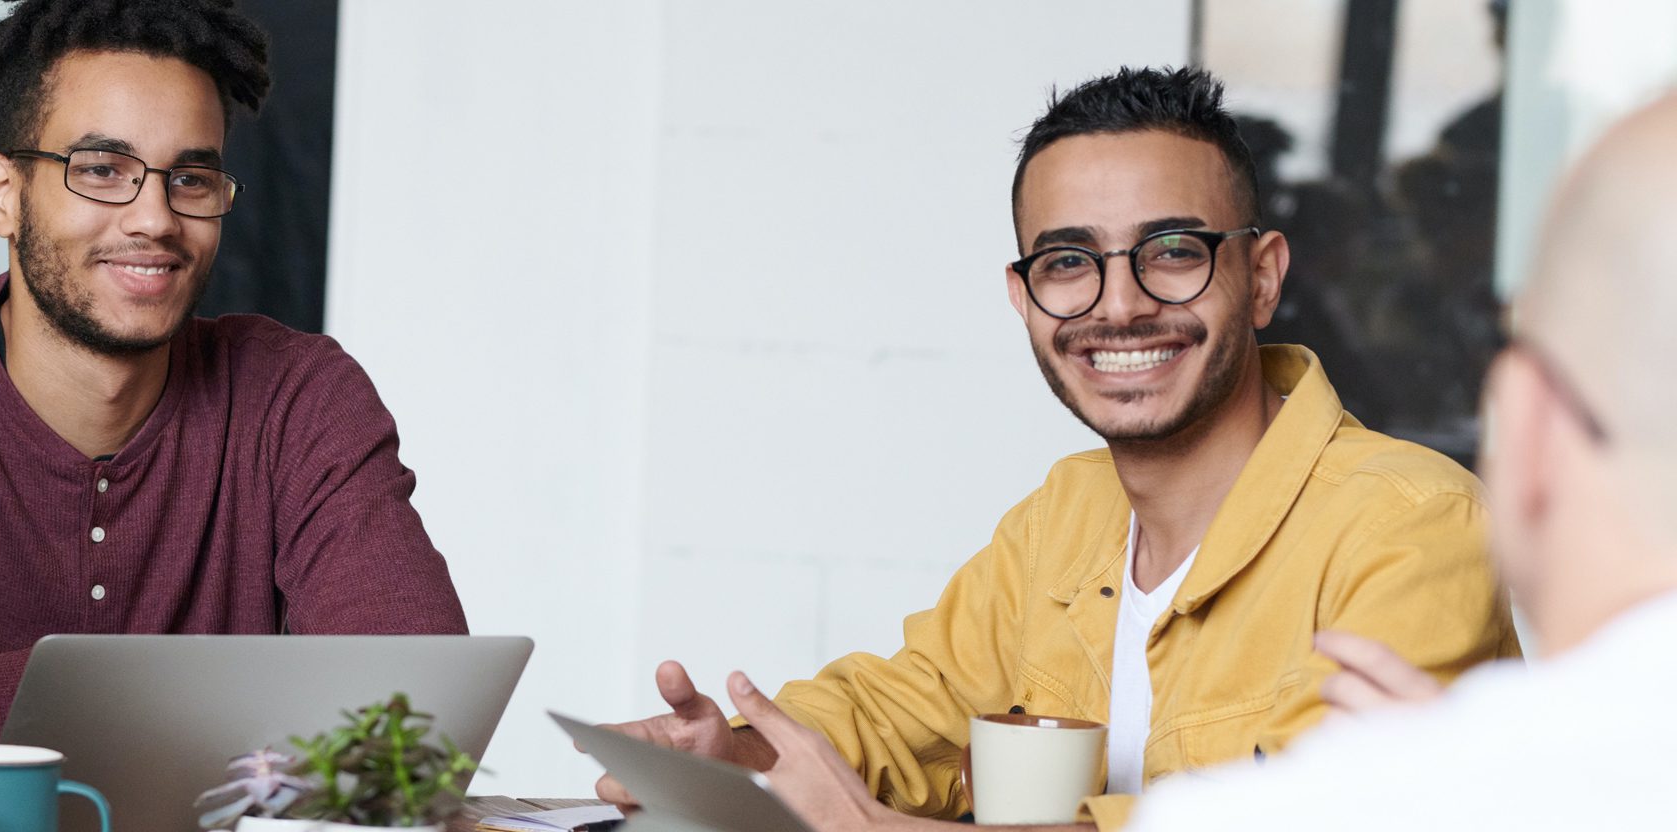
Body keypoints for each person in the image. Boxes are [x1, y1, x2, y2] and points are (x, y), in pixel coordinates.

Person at [595, 67, 1518, 830]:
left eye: (1172, 250)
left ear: (1264, 275)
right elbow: (911, 706)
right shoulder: (1064, 517)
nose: (1118, 305)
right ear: (1022, 296)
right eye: (1069, 261)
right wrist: (740, 756)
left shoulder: (1416, 526)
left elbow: (1309, 816)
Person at [0, 0, 469, 805]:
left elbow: (414, 724)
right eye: (102, 169)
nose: (155, 218)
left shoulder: (299, 397)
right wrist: (249, 707)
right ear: (3, 193)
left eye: (191, 177)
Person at [1115, 89, 1677, 832]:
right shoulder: (1054, 516)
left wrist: (1434, 782)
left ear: (1526, 426)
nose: (1119, 305)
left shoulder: (1304, 808)